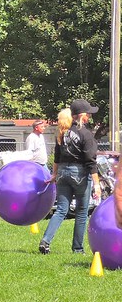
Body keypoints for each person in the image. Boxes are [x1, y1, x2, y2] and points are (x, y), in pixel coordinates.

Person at [38, 102, 100, 255]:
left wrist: (54, 175)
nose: (90, 116)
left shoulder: (63, 133)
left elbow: (57, 157)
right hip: (79, 174)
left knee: (61, 210)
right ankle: (77, 249)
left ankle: (45, 241)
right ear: (82, 116)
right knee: (81, 212)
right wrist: (97, 184)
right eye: (88, 114)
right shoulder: (85, 134)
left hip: (63, 173)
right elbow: (90, 160)